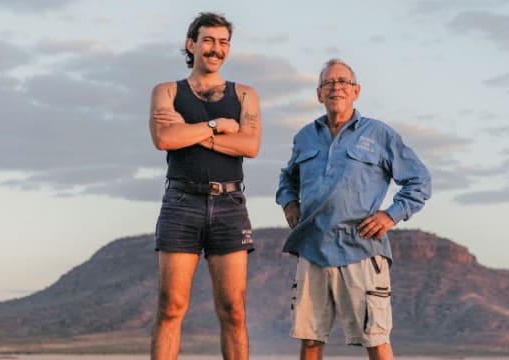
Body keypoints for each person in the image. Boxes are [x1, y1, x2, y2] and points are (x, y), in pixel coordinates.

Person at [276, 59, 431, 360]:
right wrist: (289, 201)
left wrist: (391, 214)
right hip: (312, 249)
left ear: (356, 91)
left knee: (376, 340)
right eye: (328, 83)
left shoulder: (379, 135)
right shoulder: (305, 137)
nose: (336, 87)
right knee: (309, 342)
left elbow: (419, 181)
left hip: (360, 248)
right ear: (319, 94)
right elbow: (287, 177)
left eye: (343, 82)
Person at [148, 12, 261, 360]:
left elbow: (249, 146)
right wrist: (217, 125)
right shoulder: (166, 91)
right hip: (181, 201)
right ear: (191, 44)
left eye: (223, 42)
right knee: (171, 308)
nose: (216, 49)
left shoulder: (245, 95)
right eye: (209, 40)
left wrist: (193, 132)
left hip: (230, 204)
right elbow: (164, 138)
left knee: (233, 311)